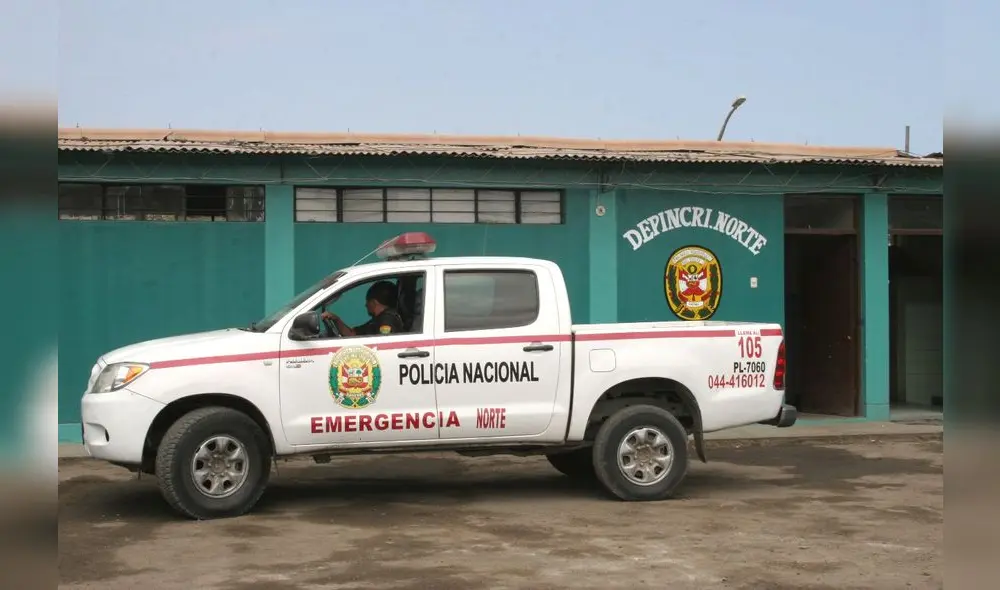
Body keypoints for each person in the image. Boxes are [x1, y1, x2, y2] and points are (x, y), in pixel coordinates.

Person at [321, 280, 404, 337]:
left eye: (367, 301)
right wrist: (336, 319)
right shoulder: (378, 319)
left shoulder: (387, 320)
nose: (365, 305)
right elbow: (352, 334)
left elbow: (383, 345)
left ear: (373, 302)